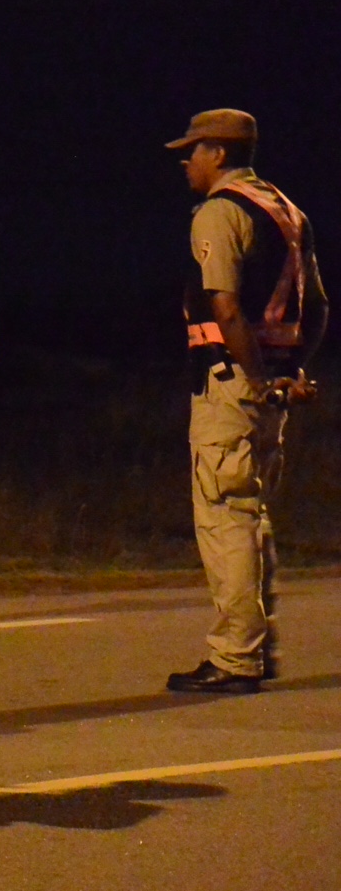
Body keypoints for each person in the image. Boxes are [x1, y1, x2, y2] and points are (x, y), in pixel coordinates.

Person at [164, 109, 327, 694]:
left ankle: (235, 657)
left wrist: (255, 377)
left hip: (232, 385)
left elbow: (226, 308)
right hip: (271, 389)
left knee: (225, 517)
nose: (186, 161)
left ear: (218, 153)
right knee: (253, 516)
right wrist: (291, 370)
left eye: (193, 151)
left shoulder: (219, 212)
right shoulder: (289, 212)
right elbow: (320, 306)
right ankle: (261, 646)